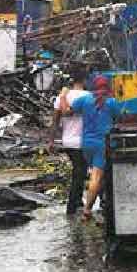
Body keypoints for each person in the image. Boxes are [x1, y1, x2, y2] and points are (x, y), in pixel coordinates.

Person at [68, 75, 123, 222]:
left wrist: (62, 96)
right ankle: (87, 210)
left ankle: (103, 204)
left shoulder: (85, 100)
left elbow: (69, 110)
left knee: (96, 175)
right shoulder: (111, 102)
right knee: (96, 177)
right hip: (102, 144)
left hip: (86, 143)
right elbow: (119, 119)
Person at [49, 63, 90, 215]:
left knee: (79, 172)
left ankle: (77, 202)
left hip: (67, 142)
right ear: (85, 79)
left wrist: (51, 141)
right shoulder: (88, 97)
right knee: (80, 174)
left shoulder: (62, 97)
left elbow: (55, 122)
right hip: (83, 142)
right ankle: (72, 208)